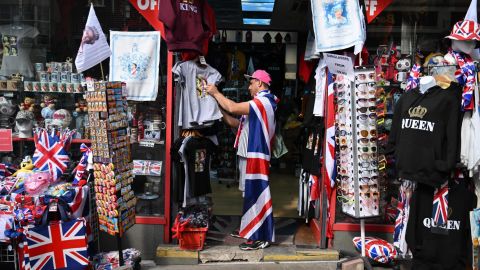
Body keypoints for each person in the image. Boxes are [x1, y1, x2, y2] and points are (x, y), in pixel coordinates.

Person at [205, 70, 278, 251]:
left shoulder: (263, 101)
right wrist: (217, 104)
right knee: (250, 194)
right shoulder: (258, 104)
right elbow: (234, 122)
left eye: (251, 82)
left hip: (257, 155)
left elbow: (233, 108)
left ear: (260, 83)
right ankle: (250, 228)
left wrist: (215, 93)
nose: (249, 86)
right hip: (250, 154)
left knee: (258, 195)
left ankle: (262, 237)